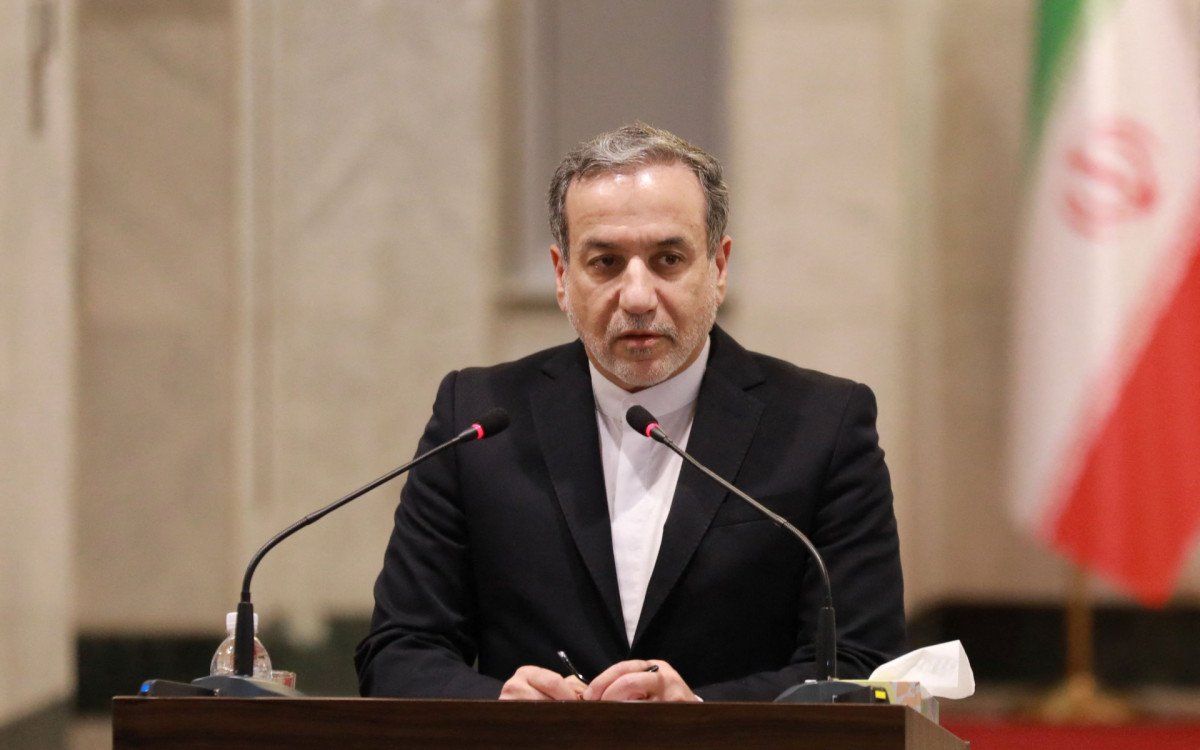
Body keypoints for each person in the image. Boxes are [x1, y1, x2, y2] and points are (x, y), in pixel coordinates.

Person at [355, 123, 905, 702]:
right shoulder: (477, 420)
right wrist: (500, 711)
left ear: (718, 268)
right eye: (606, 262)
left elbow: (863, 665)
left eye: (668, 259)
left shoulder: (823, 426)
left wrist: (701, 717)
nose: (637, 296)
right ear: (562, 276)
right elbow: (399, 651)